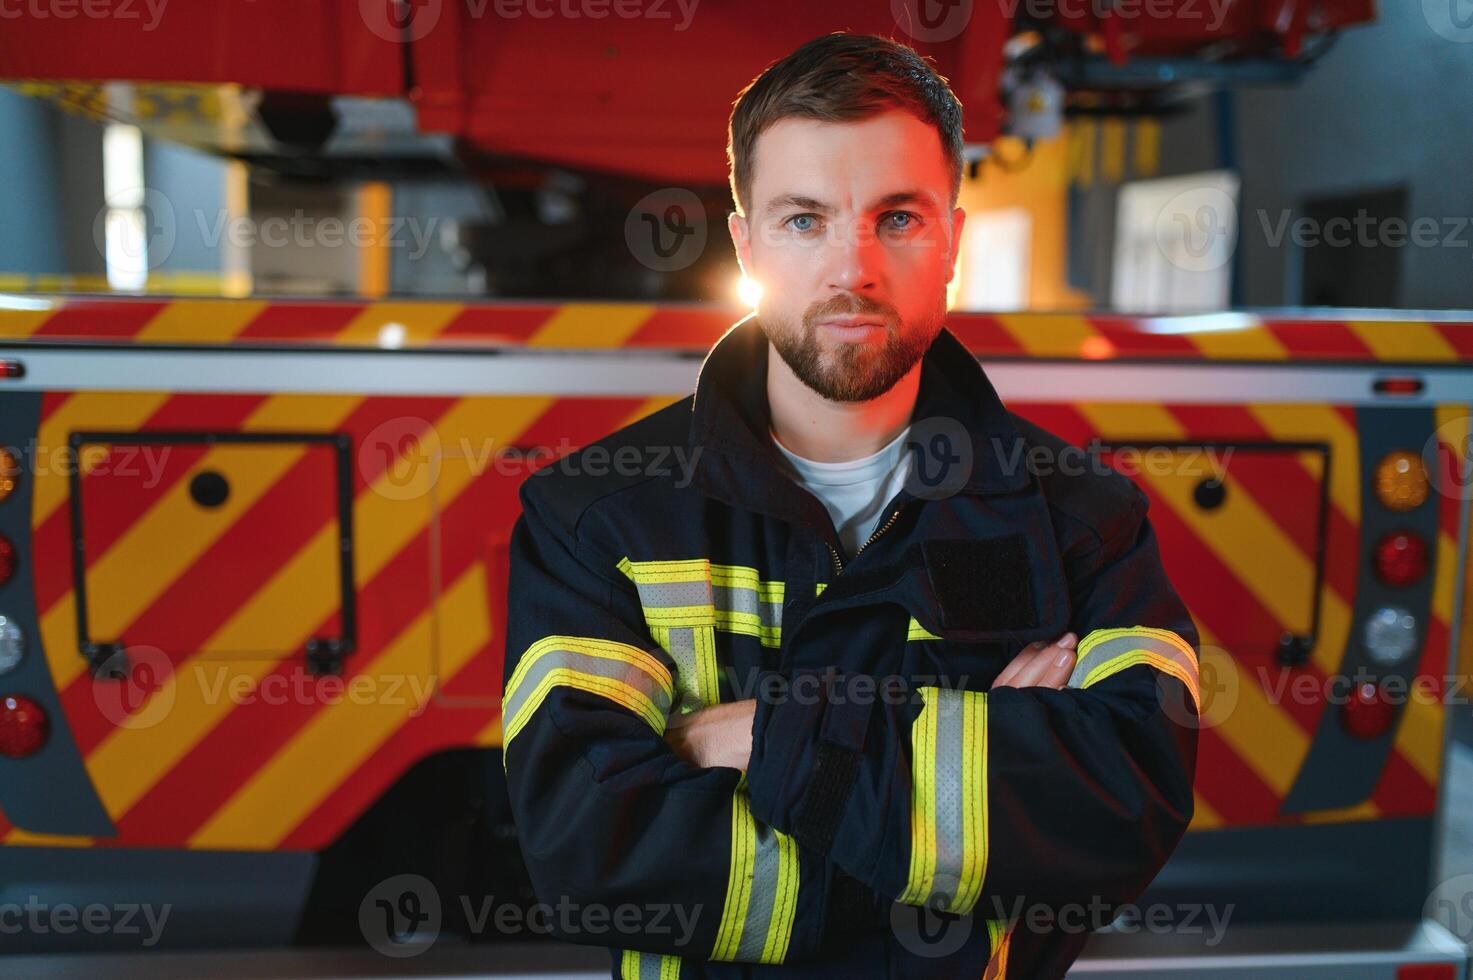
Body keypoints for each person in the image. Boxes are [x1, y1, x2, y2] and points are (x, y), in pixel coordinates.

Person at [501, 31, 1200, 979]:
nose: (852, 269)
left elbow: (1116, 822)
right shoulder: (595, 520)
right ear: (745, 244)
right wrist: (976, 782)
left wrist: (743, 737)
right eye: (803, 221)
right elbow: (593, 859)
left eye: (897, 219)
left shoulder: (1084, 519)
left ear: (951, 240)